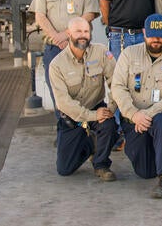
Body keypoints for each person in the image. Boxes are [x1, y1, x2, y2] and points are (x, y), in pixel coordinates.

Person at [111, 14, 162, 199]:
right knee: (145, 171)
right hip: (133, 119)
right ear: (144, 33)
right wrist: (134, 115)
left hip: (159, 116)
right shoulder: (128, 54)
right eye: (151, 35)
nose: (156, 39)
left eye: (160, 35)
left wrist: (146, 115)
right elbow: (117, 87)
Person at [29, 0, 99, 118]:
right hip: (54, 49)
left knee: (83, 93)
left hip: (79, 50)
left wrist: (66, 34)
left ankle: (83, 135)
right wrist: (56, 36)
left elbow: (90, 13)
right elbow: (40, 15)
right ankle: (64, 134)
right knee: (58, 94)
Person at [49, 17, 118, 181]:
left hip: (96, 107)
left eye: (86, 31)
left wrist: (111, 110)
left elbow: (116, 83)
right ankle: (90, 144)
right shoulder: (56, 65)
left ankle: (101, 165)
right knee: (65, 169)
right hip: (72, 118)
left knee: (109, 125)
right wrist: (92, 116)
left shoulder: (101, 52)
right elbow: (63, 103)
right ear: (68, 34)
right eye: (78, 31)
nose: (83, 35)